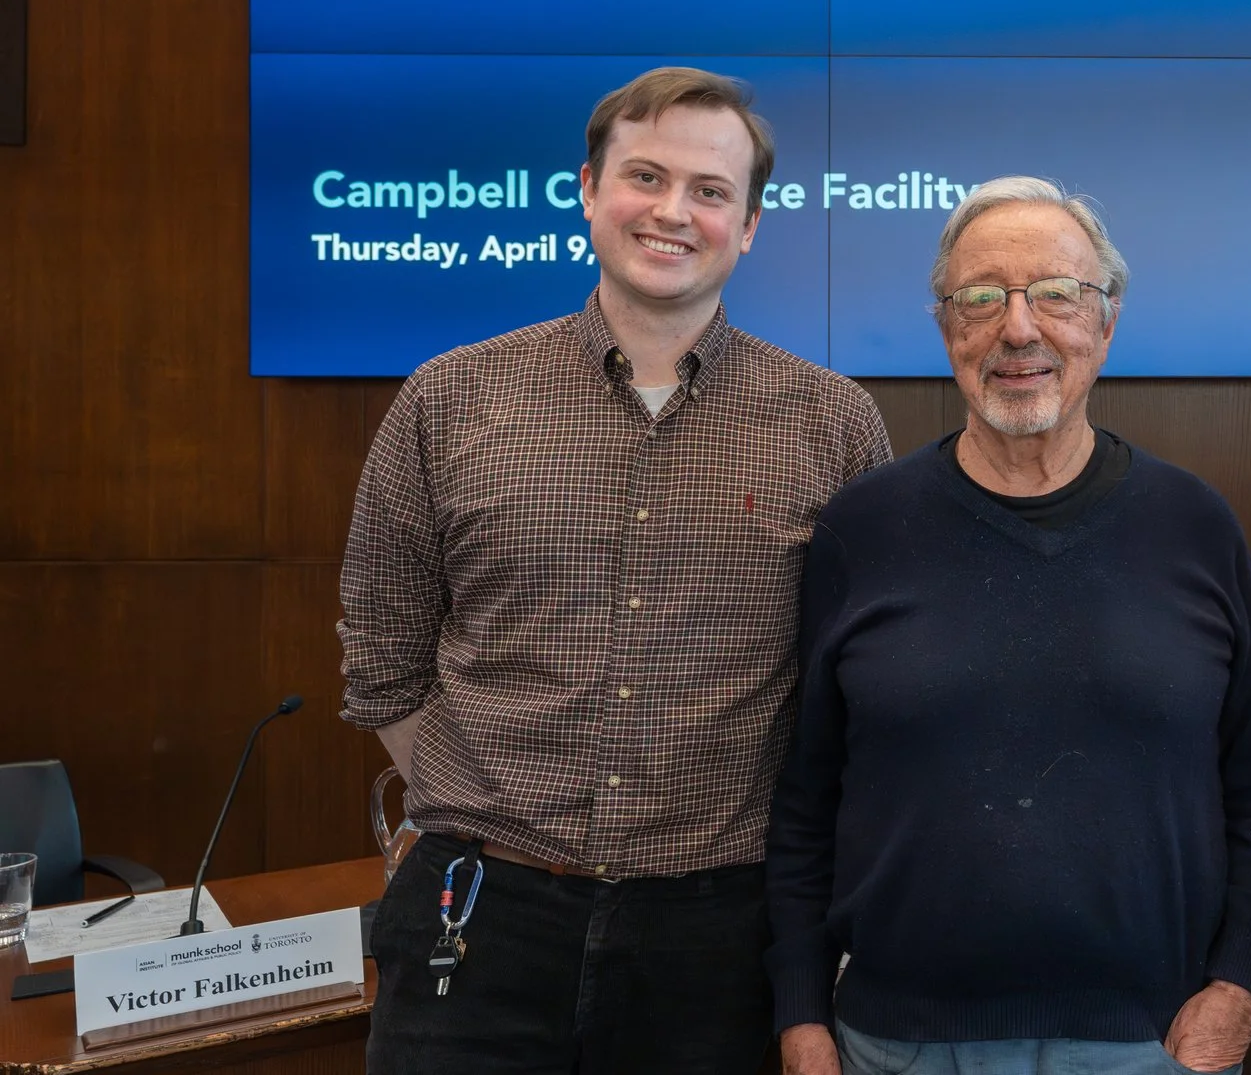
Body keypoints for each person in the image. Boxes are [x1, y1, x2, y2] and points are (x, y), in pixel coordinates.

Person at [338, 66, 893, 1075]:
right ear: (589, 189)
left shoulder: (830, 424)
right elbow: (383, 654)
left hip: (721, 939)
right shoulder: (451, 397)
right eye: (645, 177)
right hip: (478, 916)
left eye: (710, 191)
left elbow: (856, 688)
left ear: (752, 225)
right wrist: (499, 811)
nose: (673, 212)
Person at [766, 176, 1251, 1075]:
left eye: (1056, 295)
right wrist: (802, 1019)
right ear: (946, 327)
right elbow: (805, 804)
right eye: (981, 298)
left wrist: (1239, 986)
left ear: (1107, 321)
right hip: (893, 1046)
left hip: (1153, 1045)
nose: (1018, 328)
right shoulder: (862, 530)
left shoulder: (1195, 525)